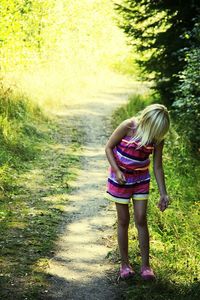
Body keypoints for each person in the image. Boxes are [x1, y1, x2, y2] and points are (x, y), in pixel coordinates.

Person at [105, 103, 170, 280]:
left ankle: (145, 266)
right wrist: (117, 170)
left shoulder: (157, 138)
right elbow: (108, 147)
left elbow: (157, 166)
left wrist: (164, 193)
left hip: (141, 180)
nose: (155, 137)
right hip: (121, 180)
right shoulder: (128, 126)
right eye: (154, 132)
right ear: (146, 121)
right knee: (124, 220)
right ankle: (124, 265)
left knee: (141, 219)